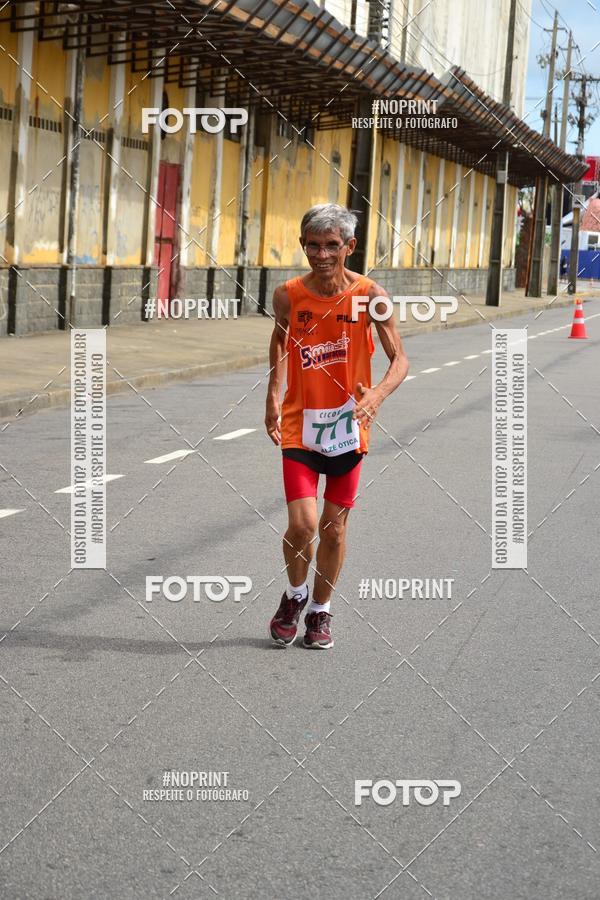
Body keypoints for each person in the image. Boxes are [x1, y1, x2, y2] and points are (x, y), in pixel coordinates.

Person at [265, 203, 409, 649]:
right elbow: (280, 337)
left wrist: (376, 395)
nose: (322, 254)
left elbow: (399, 359)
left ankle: (320, 612)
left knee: (335, 528)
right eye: (313, 245)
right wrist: (273, 394)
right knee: (303, 525)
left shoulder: (370, 294)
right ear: (303, 245)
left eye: (332, 245)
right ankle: (294, 595)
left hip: (349, 425)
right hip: (299, 426)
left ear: (350, 246)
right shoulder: (288, 294)